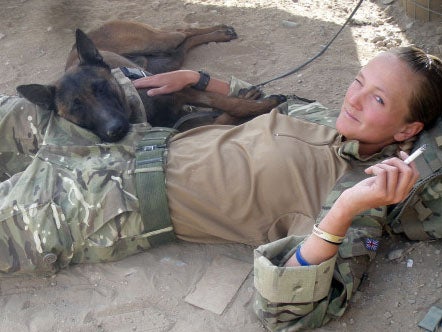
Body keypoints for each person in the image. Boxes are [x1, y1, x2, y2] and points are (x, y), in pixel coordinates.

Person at [0, 46, 441, 330]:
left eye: (378, 99)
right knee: (9, 113)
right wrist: (195, 79)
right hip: (126, 135)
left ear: (408, 131)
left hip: (106, 203)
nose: (354, 98)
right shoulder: (330, 118)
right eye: (359, 82)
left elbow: (286, 314)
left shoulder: (363, 196)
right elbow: (274, 100)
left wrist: (344, 211)